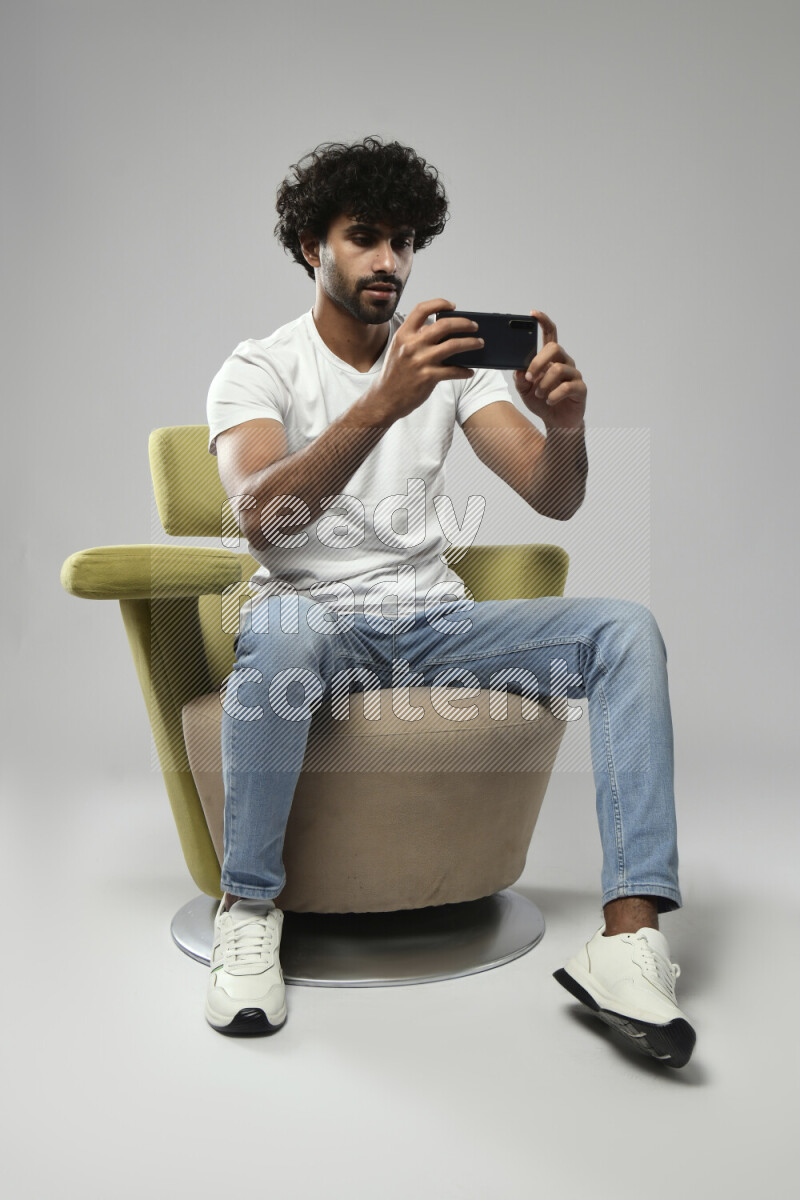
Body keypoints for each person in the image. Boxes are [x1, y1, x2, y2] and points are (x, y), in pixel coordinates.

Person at [204, 135, 695, 1067]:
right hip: (315, 625)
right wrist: (378, 406)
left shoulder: (444, 365)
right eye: (364, 237)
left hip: (438, 628)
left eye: (403, 241)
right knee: (286, 627)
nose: (390, 261)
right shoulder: (258, 369)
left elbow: (555, 495)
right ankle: (249, 908)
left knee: (623, 629)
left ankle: (628, 941)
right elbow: (263, 519)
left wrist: (567, 428)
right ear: (314, 247)